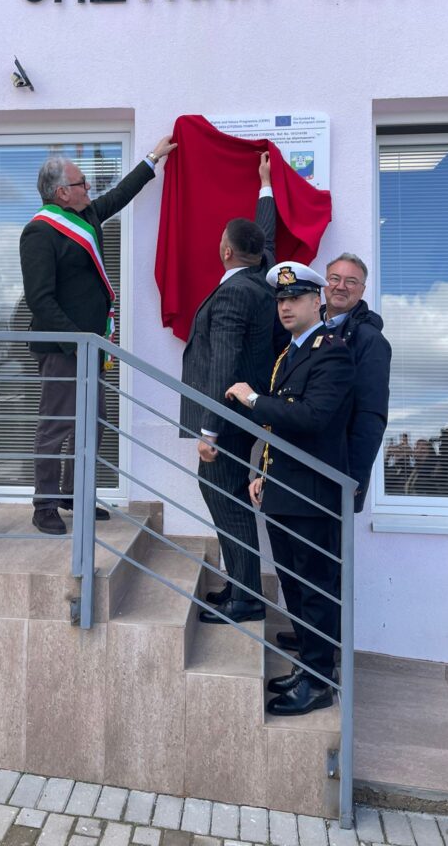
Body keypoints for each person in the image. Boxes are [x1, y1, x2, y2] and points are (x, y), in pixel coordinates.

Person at [21, 135, 176, 535]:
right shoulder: (40, 233)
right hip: (64, 348)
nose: (89, 188)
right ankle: (44, 504)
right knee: (56, 425)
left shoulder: (86, 215)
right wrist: (76, 341)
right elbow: (40, 299)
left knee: (94, 422)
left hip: (90, 347)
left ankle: (76, 494)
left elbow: (119, 195)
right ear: (61, 192)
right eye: (82, 183)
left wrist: (153, 158)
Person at [226, 262, 354, 715]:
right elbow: (280, 430)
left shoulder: (332, 352)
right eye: (281, 299)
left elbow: (312, 418)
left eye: (295, 298)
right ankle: (308, 666)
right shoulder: (290, 354)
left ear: (317, 302)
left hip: (312, 494)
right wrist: (264, 470)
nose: (285, 306)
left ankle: (319, 682)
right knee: (294, 588)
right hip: (284, 488)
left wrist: (253, 399)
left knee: (315, 590)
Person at [180, 154, 277, 624]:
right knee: (227, 496)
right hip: (244, 416)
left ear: (225, 252)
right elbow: (266, 236)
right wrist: (265, 186)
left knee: (227, 499)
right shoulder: (262, 275)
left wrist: (210, 432)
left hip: (229, 419)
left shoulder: (236, 292)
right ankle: (240, 585)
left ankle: (246, 598)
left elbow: (223, 365)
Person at [322, 253, 391, 510]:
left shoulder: (370, 341)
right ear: (324, 284)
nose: (340, 286)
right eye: (334, 278)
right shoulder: (306, 328)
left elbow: (370, 416)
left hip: (334, 476)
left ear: (362, 290)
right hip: (296, 474)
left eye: (351, 281)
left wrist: (353, 480)